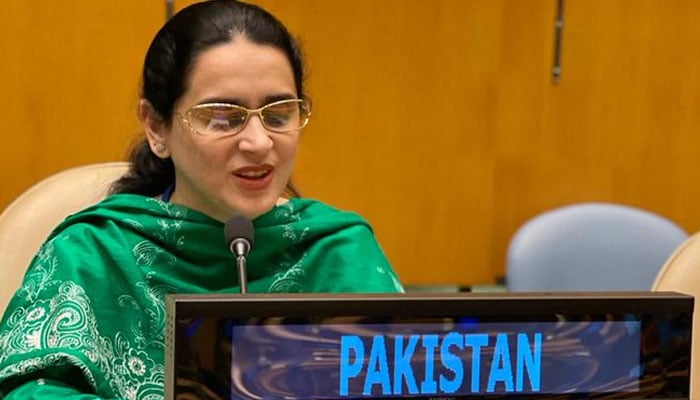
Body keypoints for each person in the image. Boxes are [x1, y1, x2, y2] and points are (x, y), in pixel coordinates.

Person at [0, 1, 404, 398]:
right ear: (156, 127)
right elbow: (27, 390)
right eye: (222, 118)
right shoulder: (93, 254)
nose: (259, 143)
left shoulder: (340, 252)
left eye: (278, 115)